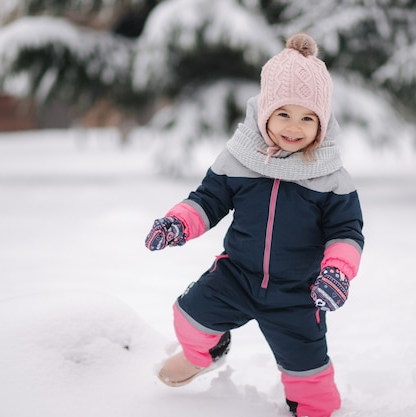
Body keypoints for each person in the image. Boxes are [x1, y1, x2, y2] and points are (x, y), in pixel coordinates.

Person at [144, 33, 364, 417]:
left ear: (322, 123)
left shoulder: (331, 177)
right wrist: (179, 222)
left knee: (309, 374)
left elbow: (346, 232)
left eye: (307, 118)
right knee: (188, 317)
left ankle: (312, 408)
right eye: (283, 114)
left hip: (299, 293)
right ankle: (203, 354)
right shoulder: (239, 159)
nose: (293, 127)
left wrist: (337, 273)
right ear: (264, 112)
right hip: (236, 276)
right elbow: (207, 199)